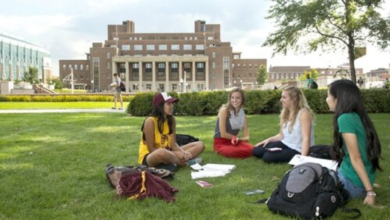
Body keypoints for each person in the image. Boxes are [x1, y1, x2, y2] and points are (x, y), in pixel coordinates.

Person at [326, 79, 382, 206]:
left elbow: (356, 157)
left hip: (351, 183)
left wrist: (370, 192)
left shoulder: (344, 118)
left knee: (306, 177)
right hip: (354, 179)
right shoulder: (357, 115)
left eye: (328, 95)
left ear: (338, 99)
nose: (327, 99)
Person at [138, 92, 205, 171]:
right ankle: (186, 163)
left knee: (200, 145)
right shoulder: (150, 121)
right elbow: (151, 149)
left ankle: (175, 160)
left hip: (169, 151)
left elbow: (173, 144)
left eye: (172, 103)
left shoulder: (172, 120)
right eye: (168, 104)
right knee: (162, 153)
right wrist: (177, 154)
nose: (172, 106)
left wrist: (182, 152)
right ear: (160, 105)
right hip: (150, 156)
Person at [252, 86, 315, 163]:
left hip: (298, 149)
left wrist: (302, 159)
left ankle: (286, 154)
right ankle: (281, 151)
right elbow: (281, 135)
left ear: (294, 98)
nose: (281, 100)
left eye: (284, 97)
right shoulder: (285, 112)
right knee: (256, 150)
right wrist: (267, 140)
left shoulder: (304, 113)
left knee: (268, 157)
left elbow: (306, 138)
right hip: (285, 143)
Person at [213, 87, 253, 158]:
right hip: (221, 143)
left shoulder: (244, 116)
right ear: (230, 99)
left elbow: (247, 137)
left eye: (237, 98)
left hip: (234, 141)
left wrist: (238, 139)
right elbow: (223, 134)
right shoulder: (224, 111)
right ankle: (227, 150)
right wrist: (236, 138)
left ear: (242, 100)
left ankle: (247, 150)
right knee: (233, 151)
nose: (234, 100)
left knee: (253, 149)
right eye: (232, 97)